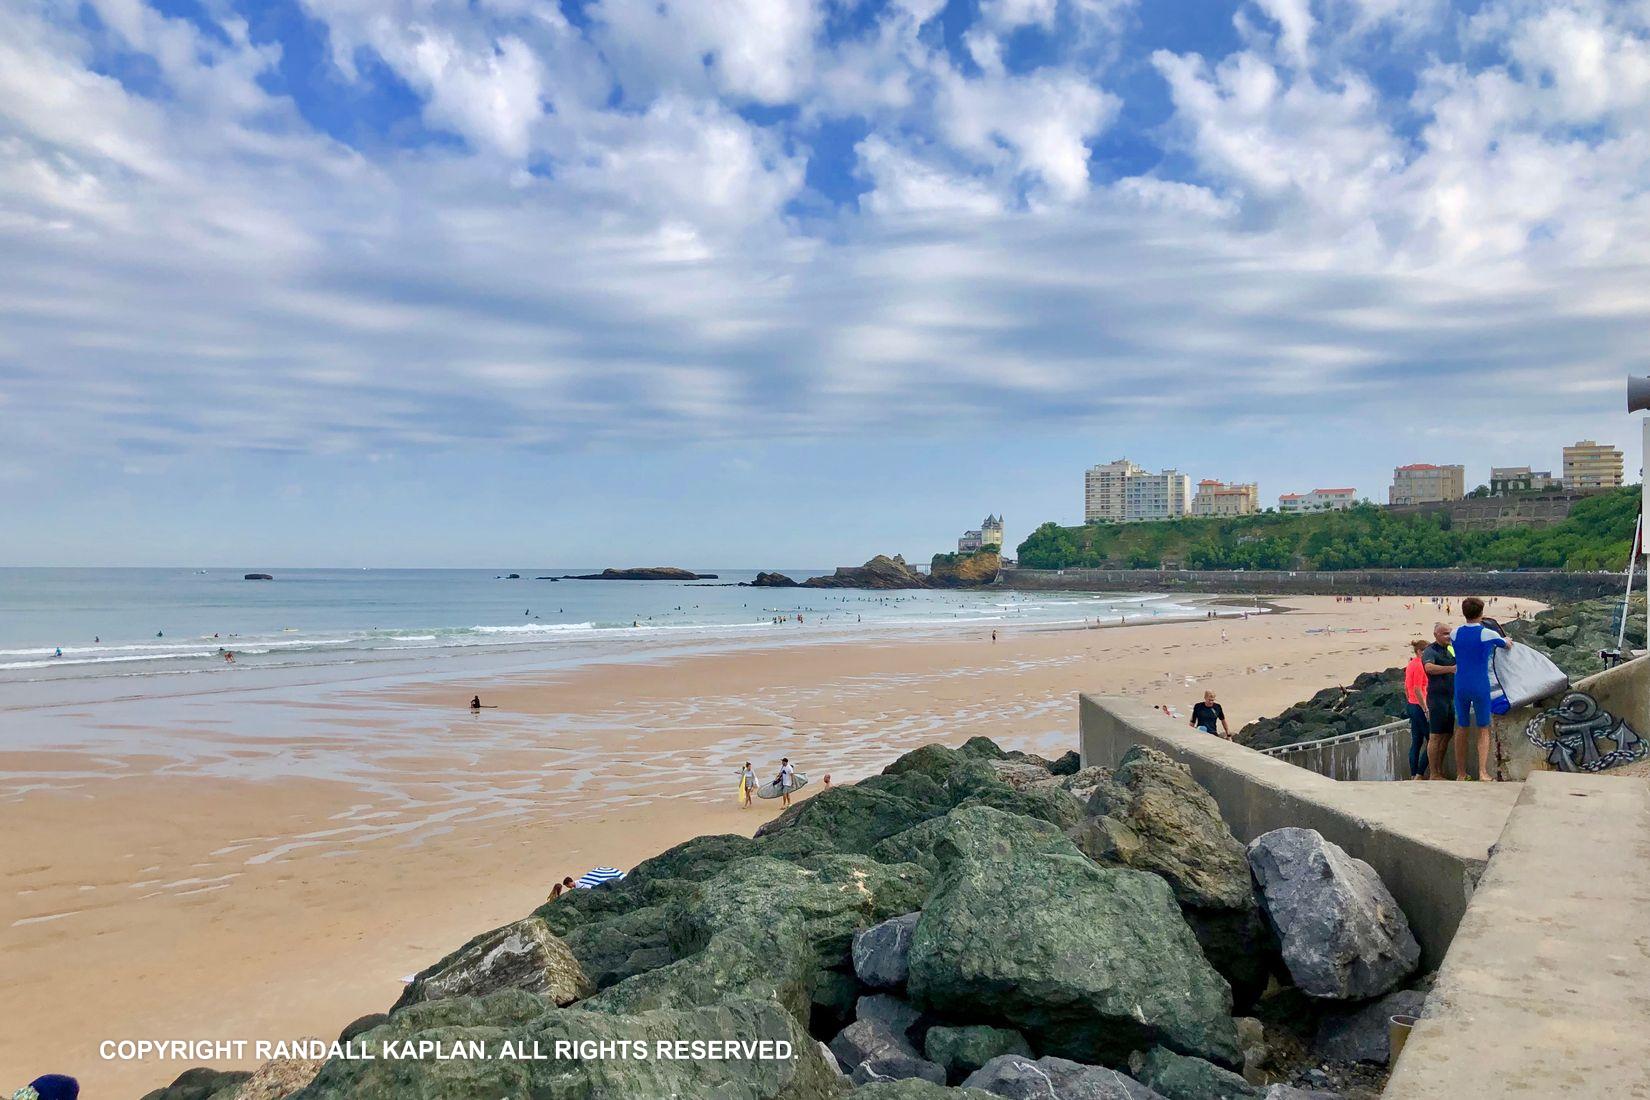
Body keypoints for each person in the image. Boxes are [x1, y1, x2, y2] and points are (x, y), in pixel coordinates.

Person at [1452, 597, 1511, 781]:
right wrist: (1507, 639)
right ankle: (1482, 772)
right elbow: (1506, 644)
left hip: (1460, 683)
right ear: (1481, 613)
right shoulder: (1487, 634)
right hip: (1479, 683)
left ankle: (1461, 773)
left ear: (1464, 612)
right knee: (1483, 728)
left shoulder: (1455, 633)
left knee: (1462, 727)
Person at [1422, 622, 1458, 780]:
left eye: (1449, 633)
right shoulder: (1430, 650)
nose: (1448, 636)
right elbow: (1429, 668)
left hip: (1451, 698)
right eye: (1444, 634)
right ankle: (1433, 773)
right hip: (1437, 698)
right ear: (1436, 635)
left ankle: (1439, 770)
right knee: (1435, 736)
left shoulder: (1450, 649)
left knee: (1447, 735)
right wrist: (1450, 669)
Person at [1403, 639, 1431, 779]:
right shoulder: (1420, 665)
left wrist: (1410, 700)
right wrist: (1425, 708)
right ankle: (1419, 773)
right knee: (1432, 740)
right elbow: (1418, 689)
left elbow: (1406, 687)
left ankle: (1414, 774)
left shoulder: (1411, 664)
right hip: (1419, 706)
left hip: (1411, 705)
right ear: (1419, 651)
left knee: (1417, 741)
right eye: (1426, 650)